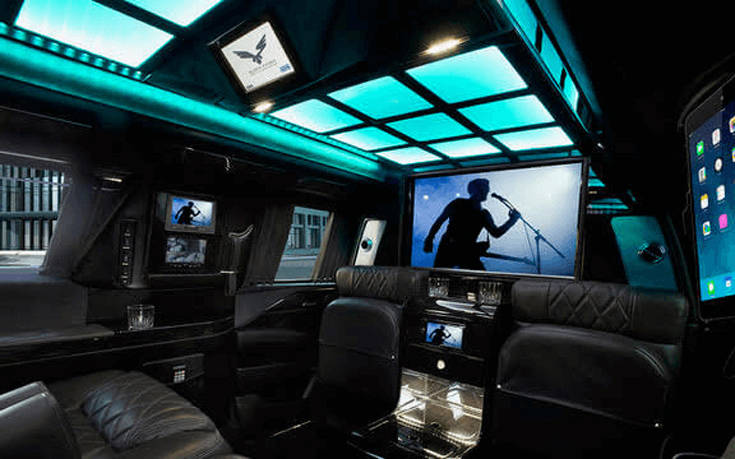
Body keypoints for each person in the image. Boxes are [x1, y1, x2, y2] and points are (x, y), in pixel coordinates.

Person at [423, 178, 520, 270]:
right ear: (475, 190)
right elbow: (440, 221)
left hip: (463, 250)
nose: (487, 191)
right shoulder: (460, 204)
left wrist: (512, 220)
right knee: (440, 276)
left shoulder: (482, 213)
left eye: (487, 189)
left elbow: (496, 233)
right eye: (484, 189)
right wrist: (429, 239)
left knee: (443, 275)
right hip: (451, 248)